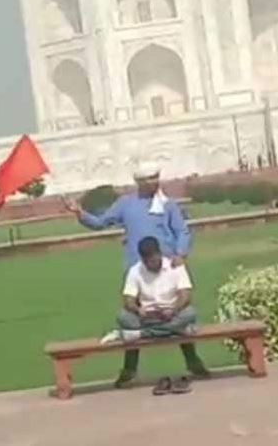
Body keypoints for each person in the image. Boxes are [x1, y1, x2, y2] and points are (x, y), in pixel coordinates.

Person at [63, 161, 208, 387]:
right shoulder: (126, 204)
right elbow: (101, 223)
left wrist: (181, 252)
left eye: (156, 178)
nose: (154, 182)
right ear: (139, 182)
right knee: (136, 315)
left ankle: (192, 361)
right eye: (149, 179)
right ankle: (130, 370)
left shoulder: (167, 205)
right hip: (138, 270)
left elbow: (182, 231)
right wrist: (80, 213)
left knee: (175, 310)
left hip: (167, 268)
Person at [101, 237, 199, 395]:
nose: (153, 265)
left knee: (190, 313)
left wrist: (173, 309)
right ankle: (179, 330)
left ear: (160, 254)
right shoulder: (135, 271)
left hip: (172, 313)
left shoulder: (175, 266)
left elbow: (185, 296)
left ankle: (137, 335)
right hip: (147, 316)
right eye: (149, 262)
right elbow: (128, 300)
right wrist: (139, 310)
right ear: (143, 260)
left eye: (155, 260)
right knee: (123, 317)